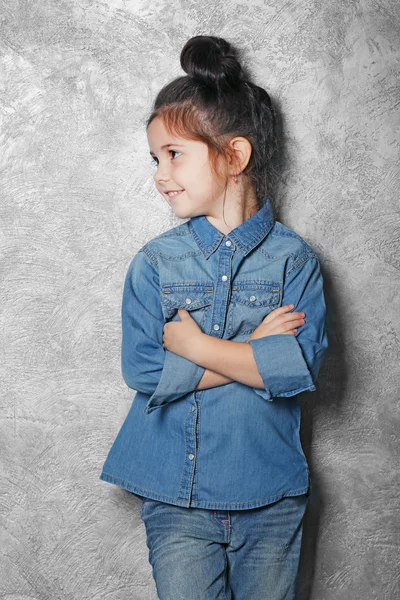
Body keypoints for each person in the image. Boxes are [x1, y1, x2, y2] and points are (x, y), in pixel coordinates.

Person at [99, 35, 328, 600]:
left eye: (174, 154)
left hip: (270, 497)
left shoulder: (293, 260)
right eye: (155, 158)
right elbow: (145, 371)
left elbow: (298, 368)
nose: (160, 174)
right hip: (175, 498)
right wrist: (254, 355)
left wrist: (197, 346)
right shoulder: (155, 263)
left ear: (235, 156)